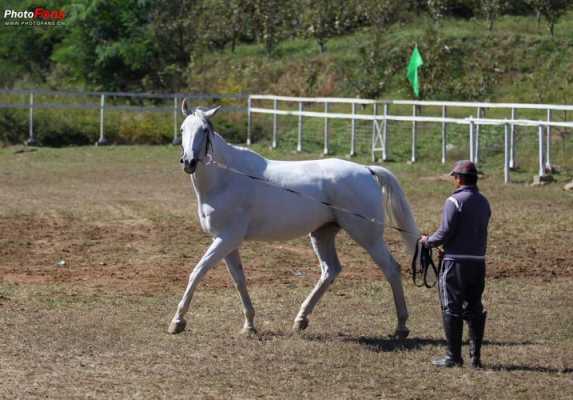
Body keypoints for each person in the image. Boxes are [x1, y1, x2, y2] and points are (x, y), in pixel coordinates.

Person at [421, 160, 491, 368]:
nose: (453, 180)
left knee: (452, 306)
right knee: (474, 306)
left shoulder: (454, 201)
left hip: (455, 263)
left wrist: (428, 241)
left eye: (454, 177)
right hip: (478, 262)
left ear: (459, 179)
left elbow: (445, 232)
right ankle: (475, 357)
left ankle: (453, 356)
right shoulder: (484, 201)